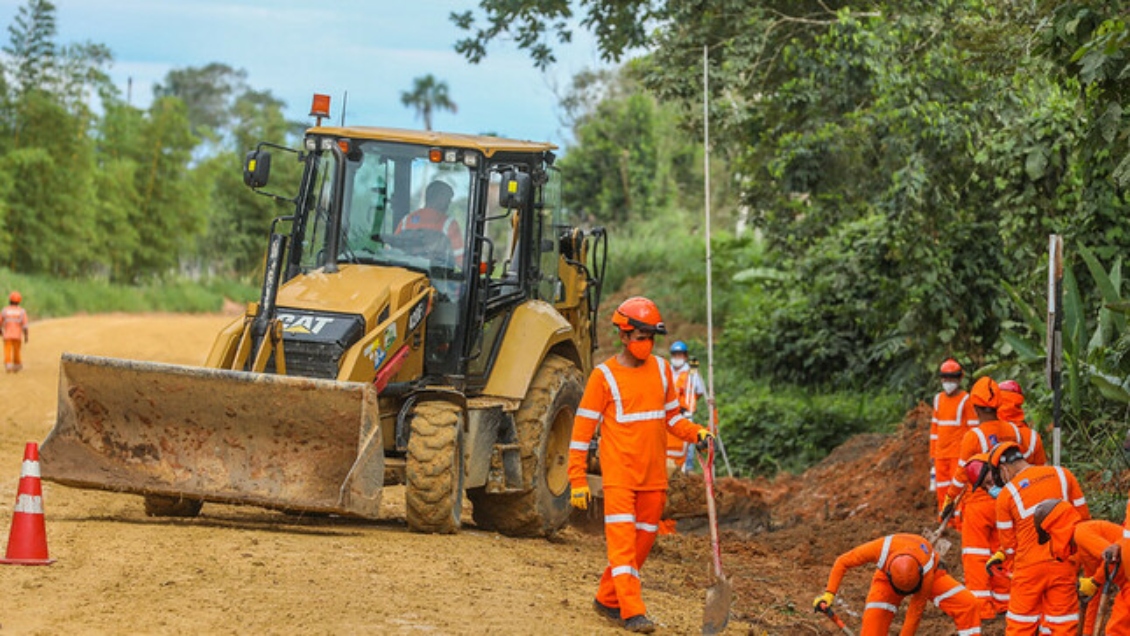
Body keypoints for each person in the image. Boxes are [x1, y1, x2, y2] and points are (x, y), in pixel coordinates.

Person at [567, 297, 712, 633]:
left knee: (641, 545)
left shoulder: (662, 370)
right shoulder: (603, 377)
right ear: (624, 335)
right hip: (619, 477)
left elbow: (672, 419)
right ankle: (632, 612)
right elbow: (581, 432)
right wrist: (577, 479)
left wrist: (697, 433)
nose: (646, 344)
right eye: (641, 337)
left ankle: (607, 599)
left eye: (651, 338)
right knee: (621, 548)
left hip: (653, 478)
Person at [941, 377, 1047, 617]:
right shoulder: (1013, 432)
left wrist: (949, 499)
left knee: (976, 555)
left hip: (978, 505)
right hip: (1007, 502)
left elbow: (961, 475)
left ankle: (982, 608)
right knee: (1002, 552)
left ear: (975, 407)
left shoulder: (973, 437)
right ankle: (1004, 602)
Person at [989, 441, 1090, 634]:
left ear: (1003, 469)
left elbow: (1009, 546)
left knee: (1021, 624)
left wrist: (1009, 563)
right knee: (1062, 622)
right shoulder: (1063, 474)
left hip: (1029, 568)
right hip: (1063, 562)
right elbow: (1083, 519)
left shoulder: (1007, 495)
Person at [812, 533, 983, 635]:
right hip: (887, 582)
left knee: (969, 604)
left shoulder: (926, 569)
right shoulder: (879, 549)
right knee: (872, 628)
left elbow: (914, 613)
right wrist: (829, 594)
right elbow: (842, 562)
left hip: (930, 575)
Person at [1033, 499, 1125, 636]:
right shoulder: (1080, 547)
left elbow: (1113, 558)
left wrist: (1095, 581)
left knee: (1118, 629)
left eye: (1050, 537)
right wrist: (1088, 632)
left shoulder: (1081, 533)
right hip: (1126, 583)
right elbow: (1094, 594)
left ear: (1054, 530)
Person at [931, 359, 980, 524]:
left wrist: (971, 455)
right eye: (945, 378)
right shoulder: (938, 399)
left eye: (952, 378)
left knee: (957, 491)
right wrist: (932, 454)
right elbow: (934, 429)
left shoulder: (966, 400)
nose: (948, 382)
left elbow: (973, 429)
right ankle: (944, 523)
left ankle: (959, 525)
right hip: (941, 455)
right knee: (942, 490)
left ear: (960, 378)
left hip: (958, 456)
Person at [394, 180, 464, 262]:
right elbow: (460, 259)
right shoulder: (449, 223)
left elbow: (394, 250)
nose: (449, 203)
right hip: (435, 269)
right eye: (448, 199)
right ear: (440, 198)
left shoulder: (406, 220)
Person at [2, 291, 29, 373]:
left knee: (7, 350)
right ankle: (17, 365)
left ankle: (8, 365)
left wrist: (1, 331)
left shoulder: (5, 310)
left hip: (7, 335)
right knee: (16, 350)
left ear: (10, 300)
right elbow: (25, 325)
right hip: (17, 335)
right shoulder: (22, 311)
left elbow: (0, 322)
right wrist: (26, 336)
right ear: (19, 301)